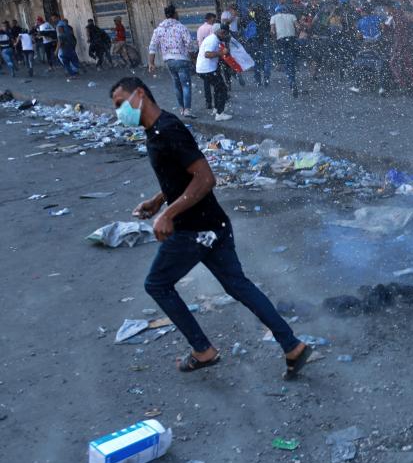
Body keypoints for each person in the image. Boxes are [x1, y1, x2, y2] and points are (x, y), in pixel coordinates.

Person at [108, 76, 312, 377]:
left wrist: (168, 215)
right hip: (212, 225)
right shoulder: (157, 130)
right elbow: (182, 176)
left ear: (140, 94)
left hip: (195, 230)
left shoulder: (168, 129)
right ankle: (292, 346)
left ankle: (203, 350)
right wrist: (157, 201)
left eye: (120, 104)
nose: (119, 112)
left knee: (157, 284)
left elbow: (205, 178)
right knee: (238, 286)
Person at [148, 5, 197, 118]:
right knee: (186, 85)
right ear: (175, 14)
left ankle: (181, 108)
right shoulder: (181, 27)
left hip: (169, 61)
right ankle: (187, 110)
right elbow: (189, 44)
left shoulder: (159, 29)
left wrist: (151, 63)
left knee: (176, 84)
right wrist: (193, 57)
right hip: (182, 60)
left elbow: (152, 46)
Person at [195, 23, 232, 121]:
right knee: (223, 89)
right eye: (225, 33)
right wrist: (221, 53)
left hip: (206, 69)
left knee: (217, 87)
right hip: (207, 70)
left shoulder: (214, 38)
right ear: (221, 32)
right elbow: (207, 54)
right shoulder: (213, 40)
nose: (225, 36)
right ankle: (220, 114)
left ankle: (216, 109)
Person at [385, 0, 413, 94]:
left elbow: (386, 29)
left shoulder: (393, 17)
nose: (386, 10)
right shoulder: (406, 15)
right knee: (409, 65)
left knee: (393, 63)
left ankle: (403, 84)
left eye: (388, 9)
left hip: (400, 44)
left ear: (393, 8)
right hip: (407, 44)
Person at [271, 4, 299, 97]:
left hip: (281, 40)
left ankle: (291, 81)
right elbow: (297, 27)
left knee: (286, 60)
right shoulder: (292, 16)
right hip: (292, 39)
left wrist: (274, 40)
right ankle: (293, 77)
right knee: (291, 59)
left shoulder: (273, 17)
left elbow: (272, 31)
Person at [245, 5, 272, 87]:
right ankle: (266, 78)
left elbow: (246, 20)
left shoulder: (253, 16)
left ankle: (258, 81)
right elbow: (269, 28)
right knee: (266, 60)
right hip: (265, 40)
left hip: (255, 41)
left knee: (256, 61)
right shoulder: (266, 16)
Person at [196, 13, 217, 111]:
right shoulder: (211, 28)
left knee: (206, 83)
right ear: (210, 18)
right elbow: (214, 41)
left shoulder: (199, 28)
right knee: (216, 80)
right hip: (209, 56)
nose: (214, 20)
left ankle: (208, 102)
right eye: (214, 18)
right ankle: (220, 96)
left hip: (201, 55)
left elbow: (198, 42)